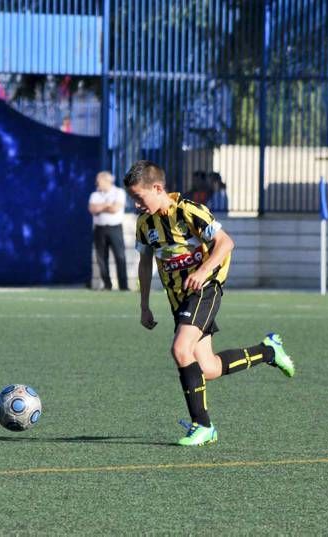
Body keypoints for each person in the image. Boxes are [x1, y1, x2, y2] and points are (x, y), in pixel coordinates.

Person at [123, 160, 295, 446]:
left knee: (180, 349)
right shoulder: (145, 224)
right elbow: (144, 262)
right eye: (133, 199)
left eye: (139, 198)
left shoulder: (189, 211)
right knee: (209, 368)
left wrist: (203, 271)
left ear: (157, 188)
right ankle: (269, 351)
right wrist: (143, 304)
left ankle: (203, 425)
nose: (137, 205)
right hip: (178, 298)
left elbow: (226, 242)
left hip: (205, 288)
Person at [88, 170, 129, 291]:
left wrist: (101, 207)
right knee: (101, 257)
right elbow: (92, 209)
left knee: (120, 256)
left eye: (98, 181)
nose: (97, 183)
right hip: (99, 229)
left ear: (107, 181)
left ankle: (123, 286)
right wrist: (107, 205)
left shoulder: (119, 192)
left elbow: (115, 208)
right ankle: (107, 285)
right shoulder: (94, 195)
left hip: (115, 228)